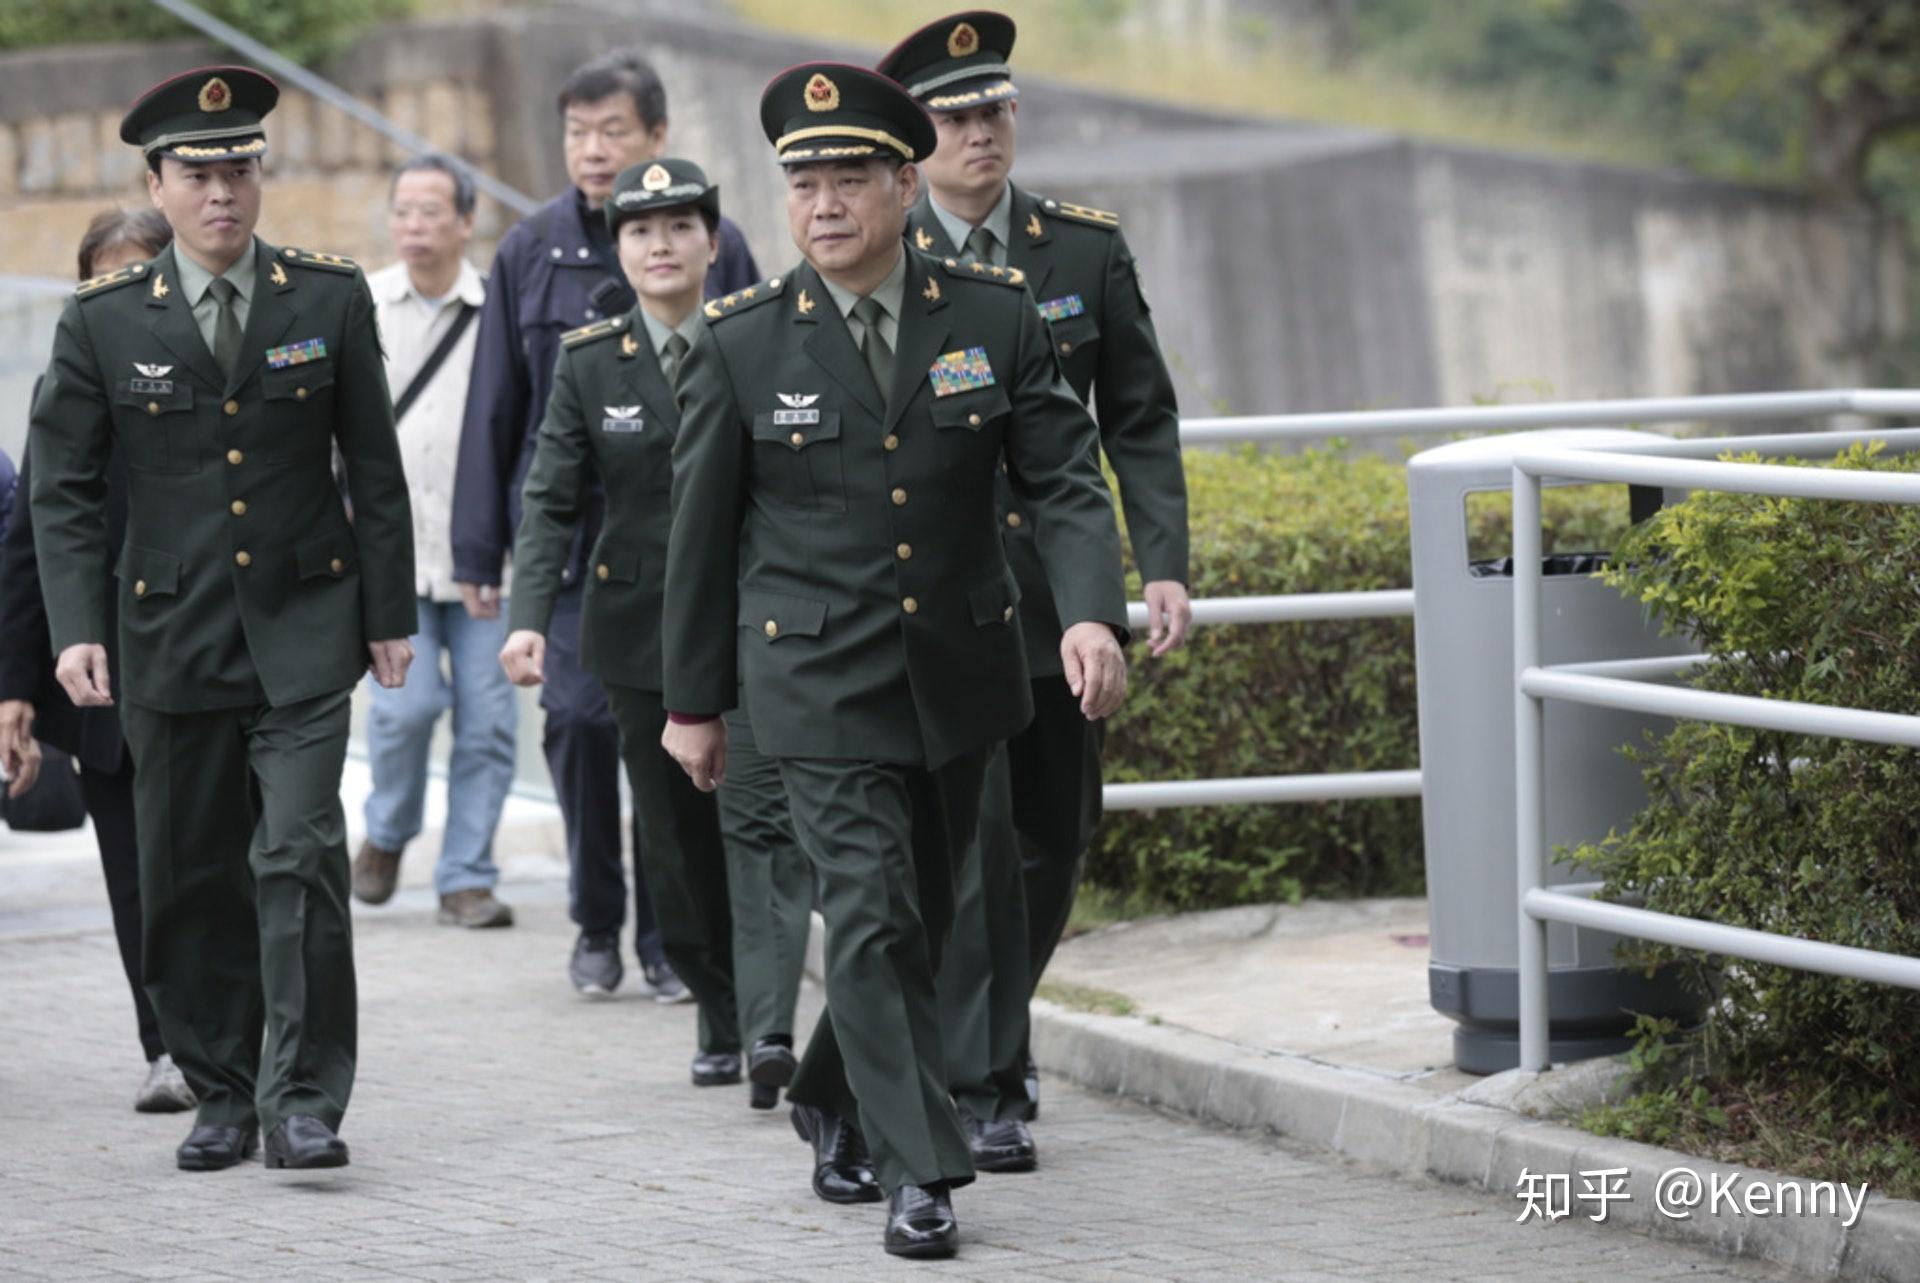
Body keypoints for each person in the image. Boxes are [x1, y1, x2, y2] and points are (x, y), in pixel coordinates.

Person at [660, 63, 1130, 1260]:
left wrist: (1088, 613)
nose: (824, 205)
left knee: (912, 917)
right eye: (804, 184)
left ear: (902, 183)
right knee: (867, 910)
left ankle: (830, 1091)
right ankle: (920, 1168)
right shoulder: (741, 341)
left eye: (849, 180)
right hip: (813, 680)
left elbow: (1065, 478)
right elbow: (699, 538)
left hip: (963, 669)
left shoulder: (994, 313)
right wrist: (692, 704)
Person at [30, 66, 417, 1172]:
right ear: (157, 183)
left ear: (261, 175)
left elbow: (374, 468)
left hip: (305, 627)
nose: (221, 193)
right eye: (197, 174)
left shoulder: (325, 296)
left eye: (238, 169)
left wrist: (387, 611)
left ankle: (303, 1096)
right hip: (168, 634)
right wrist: (74, 625)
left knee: (299, 855)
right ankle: (222, 1087)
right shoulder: (105, 319)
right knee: (191, 873)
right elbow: (61, 486)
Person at [878, 11, 1192, 1168]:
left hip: (1062, 598)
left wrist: (1153, 563)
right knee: (974, 847)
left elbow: (1140, 419)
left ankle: (981, 1041)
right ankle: (986, 1075)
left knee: (1054, 839)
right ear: (917, 141)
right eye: (957, 117)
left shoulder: (1080, 248)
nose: (982, 134)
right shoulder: (883, 258)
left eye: (996, 110)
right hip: (949, 603)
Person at [451, 48, 759, 1000]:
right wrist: (480, 552)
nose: (592, 149)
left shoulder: (717, 239)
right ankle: (596, 920)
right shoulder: (528, 250)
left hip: (694, 557)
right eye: (578, 133)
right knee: (580, 728)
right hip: (581, 554)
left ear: (656, 137)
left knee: (682, 745)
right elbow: (495, 404)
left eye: (612, 131)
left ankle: (674, 939)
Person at [499, 157, 749, 1090]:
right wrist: (529, 618)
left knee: (760, 826)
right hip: (639, 629)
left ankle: (766, 1015)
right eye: (642, 231)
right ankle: (719, 1014)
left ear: (711, 244)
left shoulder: (753, 340)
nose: (661, 245)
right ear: (620, 247)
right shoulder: (589, 358)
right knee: (676, 834)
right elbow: (551, 497)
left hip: (755, 617)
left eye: (681, 227)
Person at [0, 207, 198, 1115]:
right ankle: (165, 1046)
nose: (124, 294)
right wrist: (15, 689)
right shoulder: (63, 387)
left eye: (141, 273)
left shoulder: (219, 371)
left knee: (219, 865)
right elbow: (31, 541)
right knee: (134, 876)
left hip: (211, 667)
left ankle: (243, 1038)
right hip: (104, 674)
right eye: (104, 277)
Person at [350, 154, 517, 929]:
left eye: (430, 211)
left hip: (487, 560)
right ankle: (386, 831)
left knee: (488, 720)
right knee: (403, 713)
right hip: (394, 560)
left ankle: (467, 876)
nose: (414, 225)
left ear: (465, 221)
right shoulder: (363, 305)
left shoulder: (499, 309)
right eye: (403, 211)